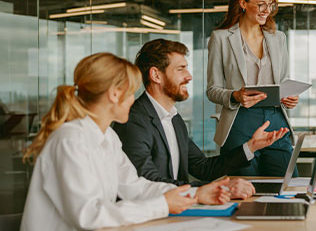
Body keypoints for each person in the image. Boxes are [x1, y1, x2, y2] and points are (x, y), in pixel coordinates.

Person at [20, 53, 230, 231]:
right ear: (114, 94)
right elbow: (89, 215)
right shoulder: (70, 139)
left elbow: (135, 187)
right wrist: (163, 204)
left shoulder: (108, 137)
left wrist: (195, 194)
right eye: (131, 93)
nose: (133, 100)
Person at [113, 39, 288, 198]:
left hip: (177, 210)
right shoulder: (133, 121)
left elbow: (203, 168)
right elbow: (148, 182)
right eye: (181, 69)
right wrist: (218, 189)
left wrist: (251, 146)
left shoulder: (174, 118)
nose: (189, 76)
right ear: (156, 75)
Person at [207, 0, 299, 176]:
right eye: (261, 4)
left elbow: (283, 81)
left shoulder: (278, 38)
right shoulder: (221, 38)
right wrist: (235, 96)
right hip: (239, 121)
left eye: (271, 5)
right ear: (243, 3)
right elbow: (212, 90)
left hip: (276, 120)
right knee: (245, 191)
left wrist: (289, 97)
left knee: (288, 185)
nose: (267, 10)